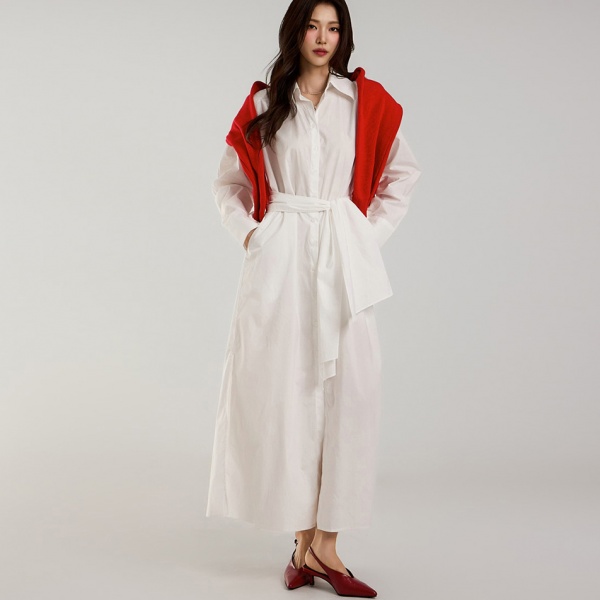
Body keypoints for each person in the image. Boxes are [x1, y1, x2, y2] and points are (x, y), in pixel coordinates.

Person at [206, 0, 421, 596]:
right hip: (279, 258)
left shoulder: (363, 102)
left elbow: (403, 175)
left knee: (350, 390)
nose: (322, 37)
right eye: (312, 26)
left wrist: (365, 236)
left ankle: (327, 544)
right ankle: (304, 543)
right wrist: (253, 235)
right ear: (295, 32)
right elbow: (227, 184)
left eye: (333, 28)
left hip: (343, 255)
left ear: (343, 36)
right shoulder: (264, 105)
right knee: (288, 394)